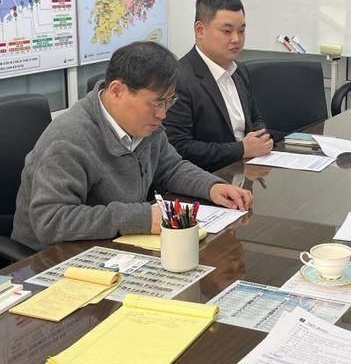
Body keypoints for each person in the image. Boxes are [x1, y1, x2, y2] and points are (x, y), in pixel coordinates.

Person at [12, 42, 252, 251]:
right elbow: (51, 221)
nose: (163, 114)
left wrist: (212, 187)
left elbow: (171, 168)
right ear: (117, 91)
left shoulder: (145, 124)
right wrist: (141, 218)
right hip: (51, 259)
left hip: (111, 245)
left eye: (168, 102)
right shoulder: (69, 140)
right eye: (157, 103)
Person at [164, 0, 273, 172]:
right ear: (200, 30)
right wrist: (241, 149)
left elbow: (255, 118)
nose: (236, 39)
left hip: (247, 170)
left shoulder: (240, 71)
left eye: (241, 31)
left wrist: (261, 137)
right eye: (227, 31)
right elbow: (178, 147)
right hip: (207, 177)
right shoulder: (179, 78)